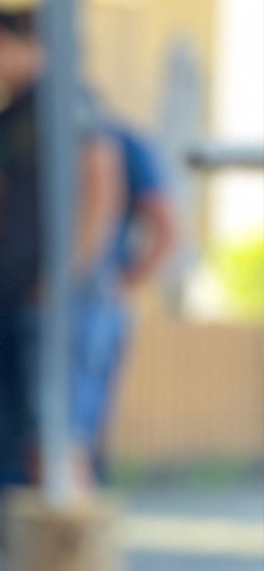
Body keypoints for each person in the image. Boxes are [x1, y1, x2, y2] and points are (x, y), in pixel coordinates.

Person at [0, 7, 124, 509]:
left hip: (52, 298)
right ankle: (17, 557)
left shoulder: (64, 104)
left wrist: (67, 277)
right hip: (1, 291)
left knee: (56, 442)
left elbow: (101, 185)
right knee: (10, 443)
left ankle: (65, 558)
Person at [81, 118, 180, 479]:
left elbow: (167, 227)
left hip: (90, 304)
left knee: (75, 439)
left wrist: (119, 284)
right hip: (20, 299)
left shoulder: (116, 139)